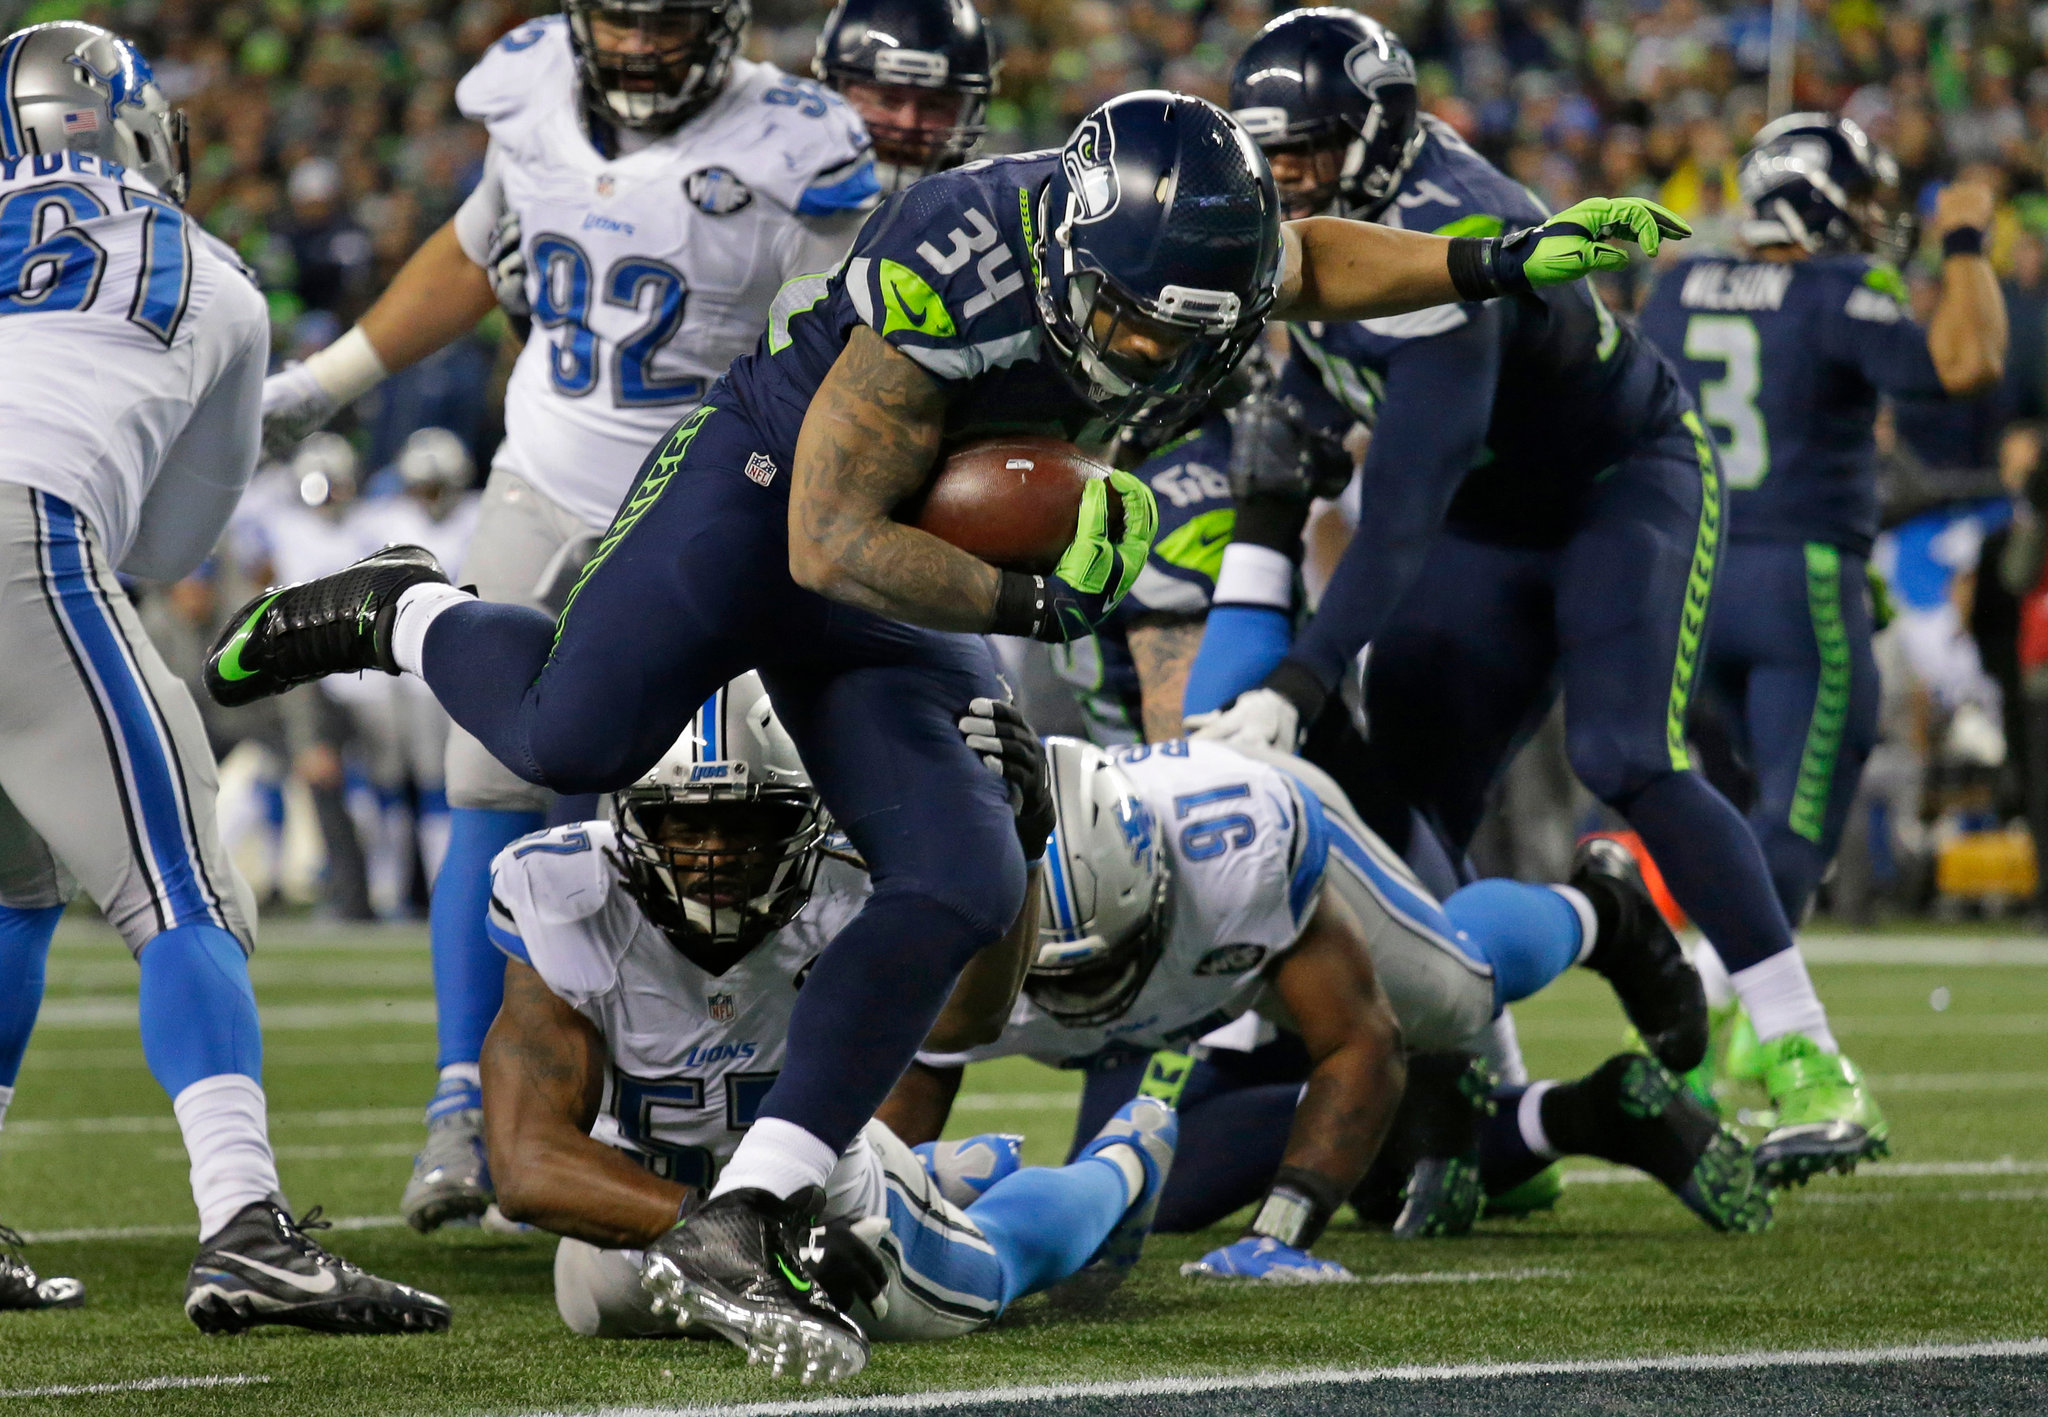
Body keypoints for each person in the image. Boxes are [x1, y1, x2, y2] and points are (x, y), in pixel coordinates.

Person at [205, 86, 1682, 1379]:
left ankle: (751, 1206)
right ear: (1069, 257)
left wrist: (1492, 257)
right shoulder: (954, 268)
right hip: (769, 495)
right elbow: (831, 540)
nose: (1137, 346)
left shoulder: (1196, 241)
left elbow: (1314, 264)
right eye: (1123, 314)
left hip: (913, 546)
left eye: (1177, 325)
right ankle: (408, 609)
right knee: (569, 736)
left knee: (968, 877)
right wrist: (1036, 605)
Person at [1186, 10, 1874, 1185]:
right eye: (1270, 151)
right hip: (1484, 518)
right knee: (1406, 797)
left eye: (1304, 150)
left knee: (1624, 748)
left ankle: (1806, 1050)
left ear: (1377, 137)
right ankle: (1486, 1099)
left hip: (1614, 487)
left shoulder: (1449, 234)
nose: (1283, 175)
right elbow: (1325, 374)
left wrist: (1295, 684)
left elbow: (1398, 517)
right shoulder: (1302, 225)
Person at [255, 0, 880, 1233]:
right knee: (483, 777)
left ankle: (728, 1111)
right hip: (545, 477)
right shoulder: (529, 88)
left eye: (669, 22)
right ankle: (458, 1102)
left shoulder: (802, 142)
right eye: (621, 19)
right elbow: (474, 248)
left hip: (715, 507)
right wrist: (326, 383)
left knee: (728, 806)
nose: (643, 43)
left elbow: (849, 348)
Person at [0, 21, 447, 1331]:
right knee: (183, 885)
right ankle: (246, 1225)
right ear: (147, 133)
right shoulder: (217, 278)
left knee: (17, 889)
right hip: (25, 532)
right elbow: (168, 547)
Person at [881, 737, 1764, 1283]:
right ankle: (1481, 1114)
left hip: (1266, 855)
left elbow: (1361, 1037)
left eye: (1104, 961)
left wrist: (1282, 1231)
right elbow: (894, 1117)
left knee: (1450, 1001)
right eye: (1063, 976)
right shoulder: (961, 932)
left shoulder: (1232, 852)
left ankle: (1602, 907)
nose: (1089, 989)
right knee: (1150, 1197)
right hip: (1162, 945)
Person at [480, 674, 1176, 1354]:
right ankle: (938, 1169)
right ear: (633, 816)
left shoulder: (853, 877)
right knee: (590, 1299)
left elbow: (965, 1021)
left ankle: (1123, 1166)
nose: (715, 853)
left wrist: (1025, 842)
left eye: (749, 821)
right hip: (648, 1222)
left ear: (804, 816)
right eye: (685, 820)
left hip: (828, 1199)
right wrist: (730, 1236)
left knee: (990, 1272)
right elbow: (525, 1163)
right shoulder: (568, 894)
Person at [1636, 116, 2005, 1171]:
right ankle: (1696, 1022)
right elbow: (1965, 360)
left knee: (1721, 821)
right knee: (1795, 818)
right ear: (1817, 199)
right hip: (1796, 580)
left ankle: (1733, 1024)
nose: (1870, 221)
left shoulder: (1674, 287)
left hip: (1685, 583)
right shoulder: (1837, 291)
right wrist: (1966, 242)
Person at [814, 0, 995, 194]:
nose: (908, 124)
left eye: (934, 105)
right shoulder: (783, 193)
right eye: (886, 101)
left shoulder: (995, 206)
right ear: (834, 94)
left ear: (969, 111)